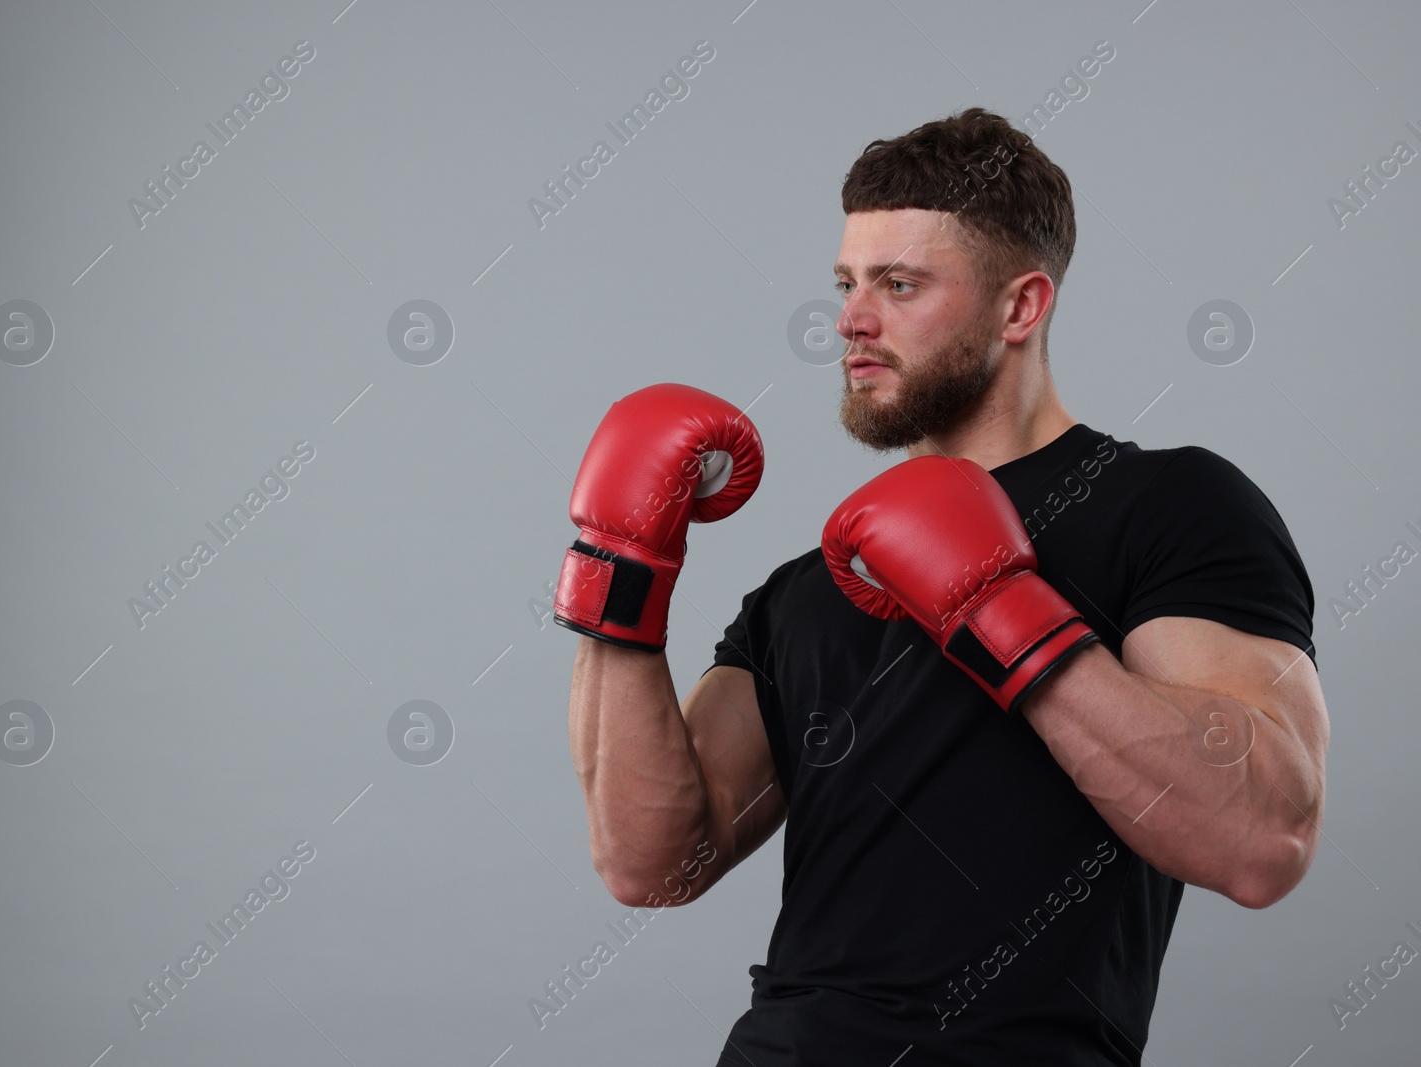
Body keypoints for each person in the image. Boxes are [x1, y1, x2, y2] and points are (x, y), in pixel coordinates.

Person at [555, 107, 1328, 1065]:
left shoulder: (1170, 504)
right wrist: (619, 577)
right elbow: (652, 863)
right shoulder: (811, 587)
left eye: (899, 283)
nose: (850, 319)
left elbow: (1262, 840)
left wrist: (1002, 615)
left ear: (1020, 307)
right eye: (845, 283)